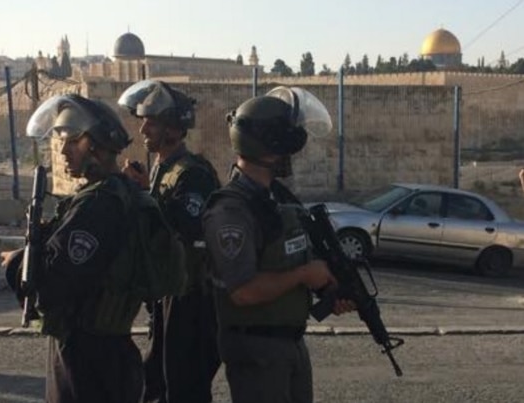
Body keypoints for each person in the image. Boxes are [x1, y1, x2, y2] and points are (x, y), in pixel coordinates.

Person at [202, 86, 354, 403]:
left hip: (288, 344)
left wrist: (327, 288)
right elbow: (242, 291)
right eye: (286, 145)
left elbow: (290, 258)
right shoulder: (232, 209)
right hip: (257, 349)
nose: (291, 155)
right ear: (269, 146)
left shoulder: (277, 198)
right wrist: (303, 275)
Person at [0, 94, 144, 403]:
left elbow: (53, 285)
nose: (63, 149)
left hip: (88, 356)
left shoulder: (98, 205)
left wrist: (17, 263)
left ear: (95, 144)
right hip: (108, 351)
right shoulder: (120, 194)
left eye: (71, 140)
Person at [118, 80, 221, 403]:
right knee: (157, 383)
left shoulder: (194, 174)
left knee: (183, 388)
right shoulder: (166, 169)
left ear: (174, 130)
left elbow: (182, 227)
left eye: (151, 122)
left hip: (191, 300)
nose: (143, 129)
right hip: (168, 295)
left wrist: (143, 197)